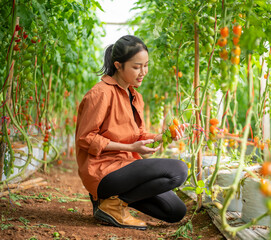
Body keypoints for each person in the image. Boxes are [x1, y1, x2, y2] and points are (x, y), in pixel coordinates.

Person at [75, 35, 189, 230]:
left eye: (146, 65)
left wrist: (162, 137)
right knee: (178, 170)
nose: (143, 72)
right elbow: (85, 139)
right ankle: (111, 204)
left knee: (175, 211)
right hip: (103, 171)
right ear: (118, 65)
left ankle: (109, 203)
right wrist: (129, 147)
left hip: (126, 166)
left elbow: (139, 134)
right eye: (136, 67)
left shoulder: (135, 96)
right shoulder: (101, 93)